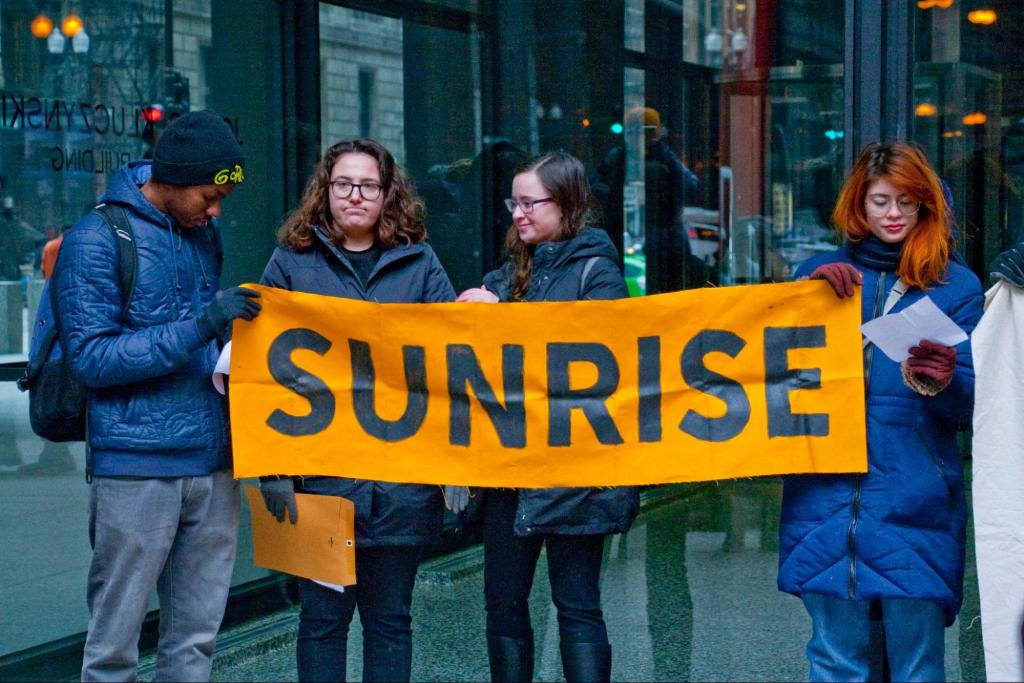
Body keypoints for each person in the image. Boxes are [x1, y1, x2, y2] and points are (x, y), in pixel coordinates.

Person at [53, 110, 261, 681]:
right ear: (170, 178)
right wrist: (201, 325)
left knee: (194, 642)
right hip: (135, 470)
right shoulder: (96, 238)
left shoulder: (201, 232)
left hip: (213, 465)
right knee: (114, 650)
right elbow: (93, 357)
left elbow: (199, 333)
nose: (216, 210)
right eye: (207, 195)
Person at [776, 141, 983, 682]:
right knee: (833, 660)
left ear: (925, 207)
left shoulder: (956, 286)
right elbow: (776, 378)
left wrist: (946, 380)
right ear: (857, 207)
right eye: (881, 202)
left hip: (914, 497)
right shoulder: (818, 277)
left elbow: (978, 402)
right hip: (825, 496)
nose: (893, 215)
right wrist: (806, 292)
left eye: (907, 202)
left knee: (918, 666)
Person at [257, 138, 459, 683]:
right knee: (321, 622)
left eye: (368, 185)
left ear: (388, 194)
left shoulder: (420, 261)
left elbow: (452, 366)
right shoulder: (290, 262)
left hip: (399, 480)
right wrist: (273, 469)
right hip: (319, 480)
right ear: (325, 192)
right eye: (343, 183)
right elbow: (265, 374)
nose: (355, 195)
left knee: (390, 621)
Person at [457, 151, 639, 683]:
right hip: (511, 470)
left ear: (568, 204)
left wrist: (504, 317)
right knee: (503, 605)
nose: (518, 212)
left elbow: (591, 361)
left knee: (578, 605)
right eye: (514, 202)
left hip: (577, 471)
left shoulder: (598, 272)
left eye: (530, 202)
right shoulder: (510, 271)